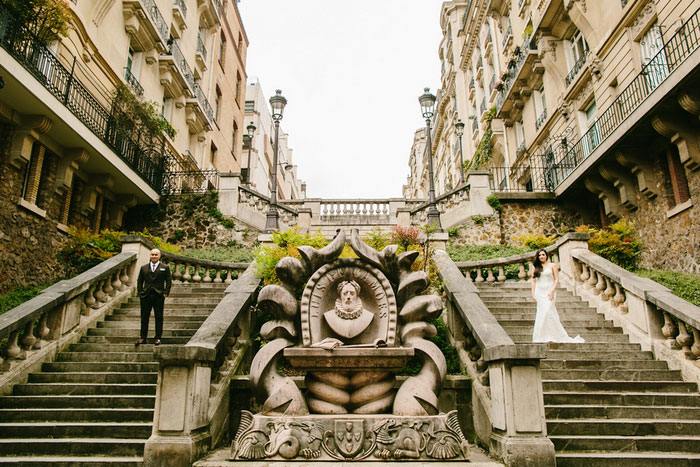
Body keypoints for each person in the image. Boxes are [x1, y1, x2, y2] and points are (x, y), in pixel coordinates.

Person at [531, 249, 584, 344]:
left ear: (546, 256)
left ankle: (555, 334)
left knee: (548, 311)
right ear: (537, 257)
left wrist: (552, 291)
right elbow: (534, 281)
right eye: (539, 255)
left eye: (543, 254)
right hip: (539, 292)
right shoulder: (535, 267)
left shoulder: (552, 266)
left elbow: (556, 280)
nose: (541, 256)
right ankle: (542, 335)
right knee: (542, 313)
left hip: (549, 291)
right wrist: (533, 294)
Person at [136, 248, 172, 346]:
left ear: (159, 256)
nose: (154, 256)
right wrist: (140, 292)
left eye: (156, 255)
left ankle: (158, 338)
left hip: (159, 296)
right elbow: (139, 281)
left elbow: (168, 281)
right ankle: (143, 337)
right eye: (152, 254)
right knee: (144, 317)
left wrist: (166, 292)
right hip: (146, 295)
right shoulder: (144, 268)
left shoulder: (165, 267)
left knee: (159, 317)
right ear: (150, 255)